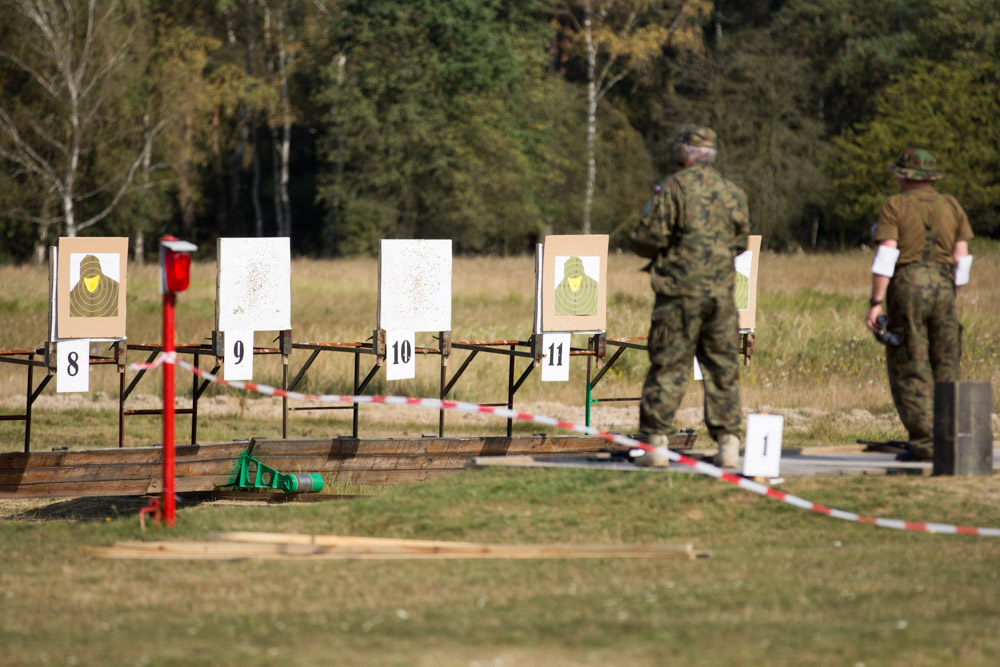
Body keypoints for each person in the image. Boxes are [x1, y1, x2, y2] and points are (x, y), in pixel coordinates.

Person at [629, 125, 749, 469]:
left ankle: (655, 445)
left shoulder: (672, 188)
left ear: (683, 153)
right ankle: (728, 445)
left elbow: (648, 238)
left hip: (679, 294)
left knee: (669, 366)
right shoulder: (733, 192)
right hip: (722, 296)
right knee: (723, 368)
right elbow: (740, 238)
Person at [866, 147, 973, 461]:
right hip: (944, 285)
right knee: (946, 362)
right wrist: (949, 291)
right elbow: (962, 258)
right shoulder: (951, 205)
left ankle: (927, 443)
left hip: (908, 284)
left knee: (911, 363)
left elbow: (887, 255)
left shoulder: (894, 205)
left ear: (903, 176)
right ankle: (951, 438)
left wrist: (875, 302)